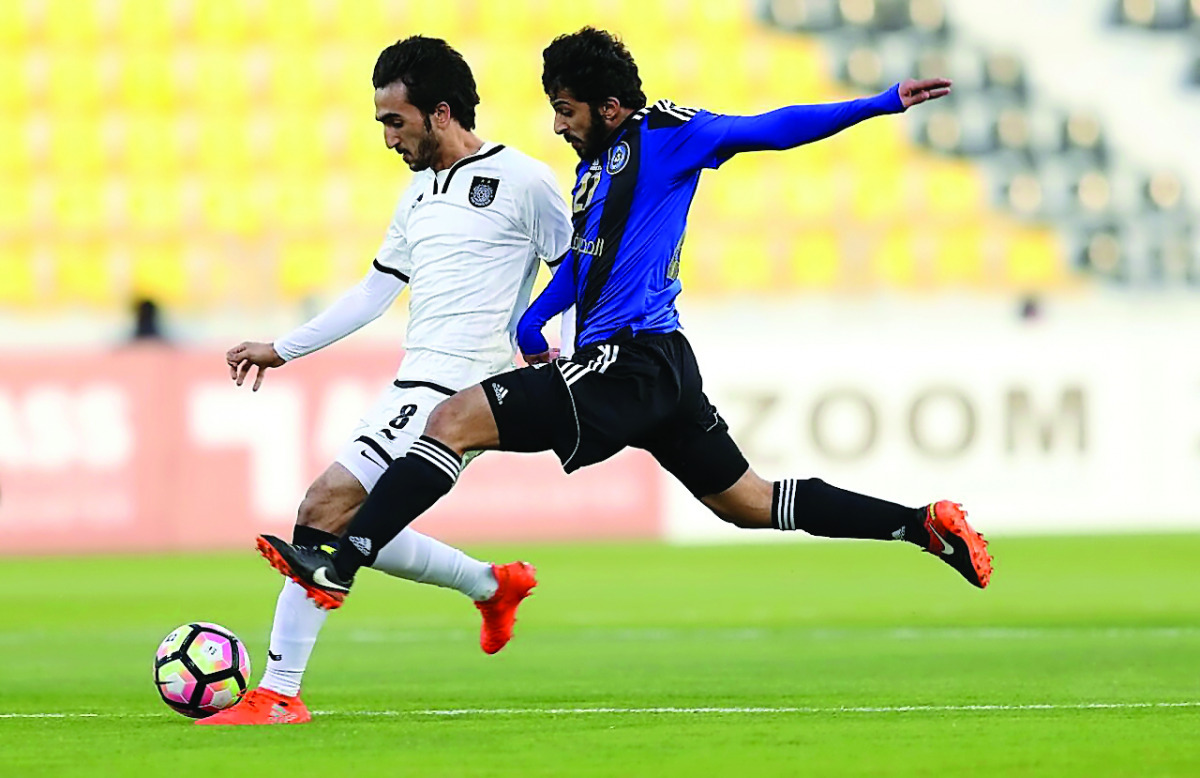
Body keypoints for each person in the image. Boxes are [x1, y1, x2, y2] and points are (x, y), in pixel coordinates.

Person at [257, 28, 992, 621]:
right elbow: (581, 267)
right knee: (750, 502)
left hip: (630, 359)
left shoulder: (669, 134)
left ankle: (341, 559)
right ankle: (920, 523)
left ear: (609, 107)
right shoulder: (592, 172)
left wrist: (879, 103)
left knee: (452, 419)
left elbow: (772, 127)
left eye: (567, 110)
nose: (557, 124)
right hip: (658, 367)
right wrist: (535, 324)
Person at [199, 35, 575, 726]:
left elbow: (576, 276)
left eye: (392, 121)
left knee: (323, 509)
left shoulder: (524, 181)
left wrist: (568, 363)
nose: (386, 137)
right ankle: (491, 585)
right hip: (413, 382)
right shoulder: (417, 195)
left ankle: (280, 693)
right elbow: (374, 293)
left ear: (438, 112)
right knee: (347, 521)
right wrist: (284, 348)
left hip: (464, 391)